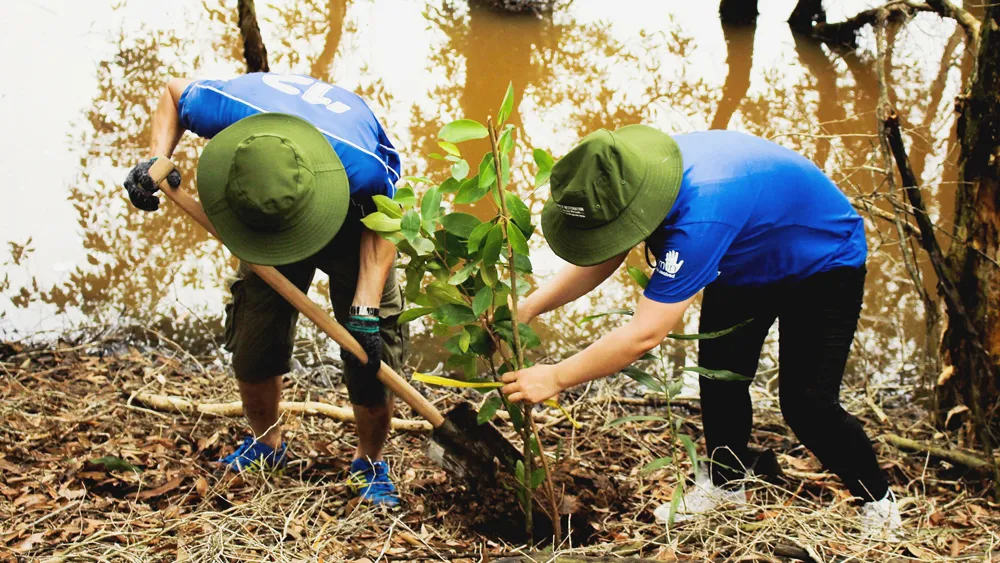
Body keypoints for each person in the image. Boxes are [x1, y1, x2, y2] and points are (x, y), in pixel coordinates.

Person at [501, 126, 902, 535]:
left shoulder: (701, 214)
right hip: (743, 254)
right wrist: (530, 308)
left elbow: (645, 334)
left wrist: (555, 376)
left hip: (822, 262)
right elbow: (609, 249)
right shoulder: (633, 178)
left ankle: (879, 504)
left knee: (807, 404)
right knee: (719, 380)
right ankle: (727, 491)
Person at [121, 73, 407, 506]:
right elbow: (172, 93)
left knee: (371, 354)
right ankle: (266, 444)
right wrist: (154, 160)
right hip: (268, 217)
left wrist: (365, 309)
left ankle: (368, 461)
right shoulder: (225, 108)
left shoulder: (361, 164)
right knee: (255, 333)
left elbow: (388, 222)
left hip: (357, 221)